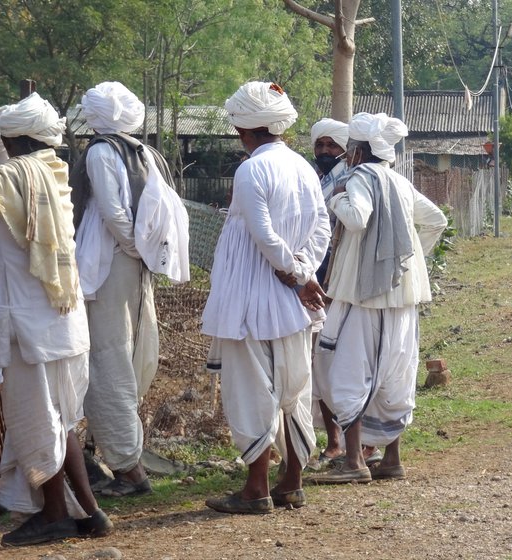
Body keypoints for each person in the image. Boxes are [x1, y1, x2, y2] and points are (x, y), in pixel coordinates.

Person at [0, 94, 111, 545]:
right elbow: (5, 178)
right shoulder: (48, 171)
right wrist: (1, 135)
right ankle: (91, 513)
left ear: (18, 141)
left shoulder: (19, 177)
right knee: (60, 422)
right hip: (62, 323)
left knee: (38, 424)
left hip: (31, 329)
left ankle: (56, 515)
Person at [201, 81, 330, 513]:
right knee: (292, 388)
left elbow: (263, 234)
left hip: (251, 301)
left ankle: (256, 489)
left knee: (251, 390)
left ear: (243, 129)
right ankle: (290, 481)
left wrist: (295, 274)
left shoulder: (250, 170)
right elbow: (322, 229)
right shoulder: (304, 167)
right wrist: (304, 273)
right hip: (291, 304)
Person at [310, 112, 447, 484]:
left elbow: (356, 218)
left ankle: (353, 461)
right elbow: (436, 220)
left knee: (346, 371)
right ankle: (391, 459)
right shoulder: (399, 182)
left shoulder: (360, 178)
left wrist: (336, 199)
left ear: (356, 151)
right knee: (395, 374)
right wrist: (413, 260)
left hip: (361, 295)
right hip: (404, 296)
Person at [71, 81, 189, 497]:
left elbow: (113, 212)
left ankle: (128, 469)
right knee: (127, 352)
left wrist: (130, 247)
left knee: (107, 360)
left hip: (106, 265)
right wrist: (141, 251)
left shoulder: (102, 152)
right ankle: (122, 456)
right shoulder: (144, 152)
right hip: (133, 264)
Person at [308, 118, 382, 470]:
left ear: (348, 150)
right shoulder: (320, 178)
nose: (324, 151)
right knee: (324, 366)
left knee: (341, 363)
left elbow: (344, 222)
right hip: (320, 279)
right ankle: (339, 443)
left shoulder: (348, 180)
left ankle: (355, 446)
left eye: (331, 145)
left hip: (339, 282)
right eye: (319, 145)